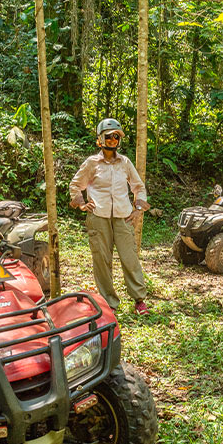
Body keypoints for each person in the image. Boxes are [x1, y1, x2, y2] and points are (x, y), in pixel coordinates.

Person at [69, 118, 151, 314]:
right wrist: (80, 204)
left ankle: (139, 300)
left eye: (116, 136)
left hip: (123, 217)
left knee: (129, 258)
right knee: (102, 261)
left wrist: (138, 209)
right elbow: (75, 185)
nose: (113, 140)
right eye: (109, 136)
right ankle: (109, 304)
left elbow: (138, 187)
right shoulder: (92, 163)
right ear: (100, 140)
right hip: (98, 217)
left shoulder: (125, 163)